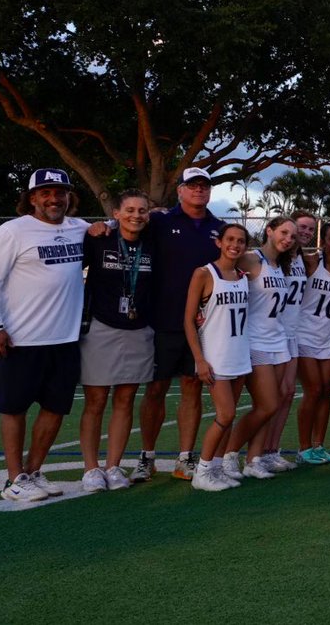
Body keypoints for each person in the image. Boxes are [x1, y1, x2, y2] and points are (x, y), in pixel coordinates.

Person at [0, 168, 88, 502]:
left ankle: (34, 472)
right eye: (46, 193)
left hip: (64, 340)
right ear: (32, 198)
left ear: (69, 197)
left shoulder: (79, 229)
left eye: (61, 192)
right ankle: (13, 479)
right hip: (21, 340)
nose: (54, 199)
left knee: (55, 408)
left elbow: (116, 225)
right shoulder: (13, 232)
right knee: (14, 409)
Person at [133, 167, 225, 483]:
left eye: (205, 186)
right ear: (181, 191)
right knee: (155, 388)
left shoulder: (219, 228)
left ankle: (185, 457)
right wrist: (100, 227)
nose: (199, 190)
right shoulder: (160, 221)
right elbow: (126, 225)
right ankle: (147, 456)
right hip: (164, 320)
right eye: (193, 185)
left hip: (203, 325)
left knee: (192, 387)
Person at [78, 189, 156, 492]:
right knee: (95, 401)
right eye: (130, 210)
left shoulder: (153, 242)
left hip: (138, 329)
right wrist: (94, 227)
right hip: (101, 326)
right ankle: (90, 469)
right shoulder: (98, 238)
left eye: (142, 210)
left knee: (125, 400)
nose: (136, 215)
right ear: (116, 214)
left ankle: (113, 465)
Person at [221, 216, 295, 480]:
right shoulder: (251, 259)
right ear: (270, 230)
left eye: (292, 236)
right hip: (255, 340)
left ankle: (254, 459)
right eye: (284, 232)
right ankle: (229, 454)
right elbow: (221, 274)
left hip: (277, 339)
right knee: (267, 404)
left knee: (270, 407)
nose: (288, 239)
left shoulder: (279, 264)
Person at [183, 223, 252, 492]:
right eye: (230, 239)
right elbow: (189, 320)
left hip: (239, 353)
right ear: (219, 242)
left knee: (230, 417)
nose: (235, 244)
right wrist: (199, 359)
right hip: (216, 355)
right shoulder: (204, 273)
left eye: (241, 241)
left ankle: (217, 468)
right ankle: (201, 471)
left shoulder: (243, 276)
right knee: (225, 414)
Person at [262, 210, 315, 470]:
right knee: (270, 396)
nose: (303, 234)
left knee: (288, 392)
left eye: (308, 231)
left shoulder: (303, 259)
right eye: (300, 228)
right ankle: (256, 452)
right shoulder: (270, 258)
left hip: (292, 332)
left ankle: (272, 449)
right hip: (273, 332)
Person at [295, 218, 330, 464]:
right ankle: (304, 447)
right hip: (304, 334)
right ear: (324, 242)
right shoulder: (310, 263)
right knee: (314, 390)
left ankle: (319, 445)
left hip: (326, 338)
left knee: (326, 391)